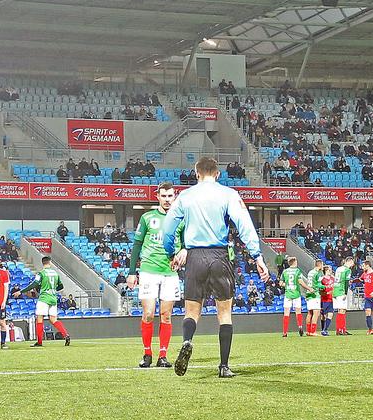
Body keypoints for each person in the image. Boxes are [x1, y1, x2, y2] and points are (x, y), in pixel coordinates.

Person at [161, 156, 269, 378]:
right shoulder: (228, 194)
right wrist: (257, 256)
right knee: (225, 313)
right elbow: (244, 225)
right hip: (219, 256)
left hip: (195, 257)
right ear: (218, 174)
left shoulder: (186, 196)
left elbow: (168, 228)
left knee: (192, 311)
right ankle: (223, 366)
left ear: (196, 173)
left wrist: (171, 252)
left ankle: (188, 341)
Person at [126, 183, 182, 368]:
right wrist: (132, 272)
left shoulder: (180, 219)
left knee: (166, 315)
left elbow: (185, 244)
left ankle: (163, 356)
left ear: (175, 197)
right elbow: (137, 245)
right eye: (164, 196)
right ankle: (147, 353)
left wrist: (182, 255)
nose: (167, 199)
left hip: (170, 273)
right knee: (148, 313)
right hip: (149, 271)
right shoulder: (147, 217)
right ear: (157, 196)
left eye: (170, 196)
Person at [22, 256, 72, 346]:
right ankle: (66, 335)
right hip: (53, 298)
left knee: (39, 318)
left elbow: (35, 284)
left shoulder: (41, 273)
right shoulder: (55, 274)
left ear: (42, 263)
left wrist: (22, 291)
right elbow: (61, 286)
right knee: (53, 319)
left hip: (44, 298)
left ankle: (40, 342)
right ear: (50, 263)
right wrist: (53, 289)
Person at [280, 256, 306, 337]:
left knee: (286, 313)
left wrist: (287, 285)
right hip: (296, 293)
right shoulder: (297, 271)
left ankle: (284, 332)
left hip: (288, 294)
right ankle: (300, 327)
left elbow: (280, 283)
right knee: (298, 311)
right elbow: (301, 282)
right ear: (294, 262)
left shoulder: (285, 271)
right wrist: (309, 288)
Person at [333, 256, 354, 335]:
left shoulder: (338, 268)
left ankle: (341, 329)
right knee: (342, 310)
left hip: (336, 290)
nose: (353, 264)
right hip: (341, 291)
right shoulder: (347, 270)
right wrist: (345, 292)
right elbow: (346, 282)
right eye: (352, 262)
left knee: (340, 310)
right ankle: (340, 330)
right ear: (350, 261)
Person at [305, 260, 325, 336]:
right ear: (320, 265)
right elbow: (318, 285)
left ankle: (308, 331)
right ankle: (313, 331)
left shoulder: (310, 272)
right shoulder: (318, 273)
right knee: (316, 313)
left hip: (308, 293)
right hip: (315, 294)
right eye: (322, 265)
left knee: (310, 313)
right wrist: (324, 286)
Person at [318, 265, 336, 336]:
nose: (331, 271)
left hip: (331, 299)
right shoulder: (322, 279)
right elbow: (320, 290)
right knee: (323, 316)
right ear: (326, 271)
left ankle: (325, 329)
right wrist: (325, 293)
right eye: (330, 270)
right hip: (324, 299)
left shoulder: (333, 278)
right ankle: (323, 329)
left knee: (330, 314)